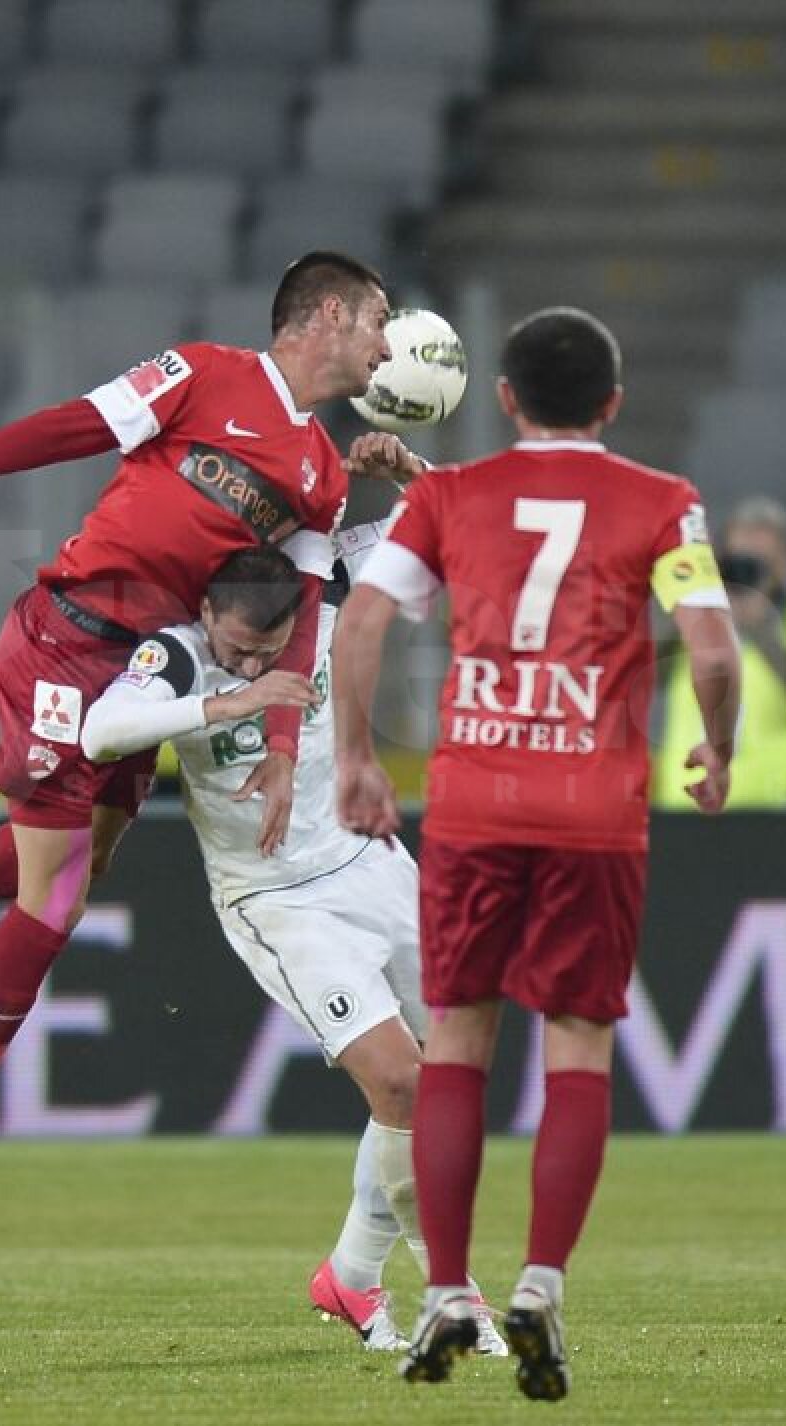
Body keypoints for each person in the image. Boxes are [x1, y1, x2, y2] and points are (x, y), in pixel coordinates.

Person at [0, 252, 393, 1232]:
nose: (388, 347)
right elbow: (73, 426)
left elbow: (303, 613)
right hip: (65, 635)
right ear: (330, 314)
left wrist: (281, 745)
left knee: (75, 867)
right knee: (55, 893)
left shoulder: (321, 472)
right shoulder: (204, 373)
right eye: (381, 321)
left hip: (150, 666)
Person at [332, 307, 743, 1399]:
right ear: (612, 403)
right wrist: (716, 747)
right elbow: (712, 650)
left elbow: (361, 622)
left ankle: (446, 1290)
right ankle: (542, 1284)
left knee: (458, 1042)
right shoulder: (664, 502)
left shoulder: (449, 498)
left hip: (475, 805)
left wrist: (357, 760)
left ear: (505, 398)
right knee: (577, 1049)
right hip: (593, 812)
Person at [78, 533, 506, 1357]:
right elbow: (103, 733)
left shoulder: (323, 593)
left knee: (452, 1077)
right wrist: (227, 702)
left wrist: (406, 468)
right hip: (278, 899)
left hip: (370, 860)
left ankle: (351, 1274)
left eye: (266, 653)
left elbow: (431, 520)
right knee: (401, 1081)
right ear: (208, 613)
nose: (250, 665)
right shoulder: (178, 655)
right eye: (238, 649)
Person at [653, 495, 786, 808]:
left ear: (784, 561)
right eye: (737, 563)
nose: (745, 574)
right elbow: (645, 669)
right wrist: (694, 595)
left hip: (785, 807)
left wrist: (763, 628)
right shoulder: (697, 616)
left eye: (758, 563)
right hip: (690, 804)